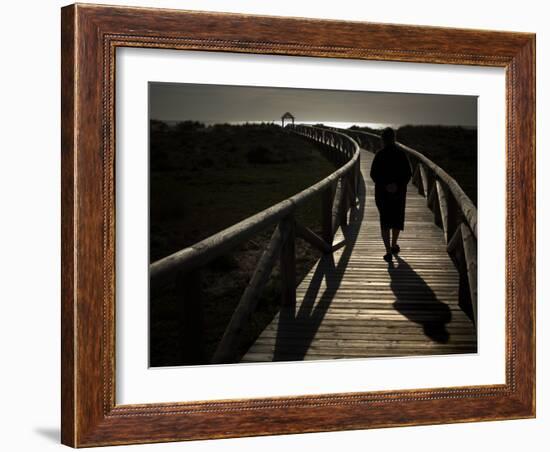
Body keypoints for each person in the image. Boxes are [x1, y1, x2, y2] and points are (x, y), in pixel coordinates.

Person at [370, 127, 412, 262]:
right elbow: (408, 174)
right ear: (394, 138)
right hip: (398, 194)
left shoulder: (379, 155)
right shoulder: (401, 154)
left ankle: (388, 251)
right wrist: (397, 185)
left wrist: (385, 185)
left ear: (382, 139)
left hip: (382, 194)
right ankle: (394, 244)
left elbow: (373, 174)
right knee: (396, 220)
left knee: (385, 221)